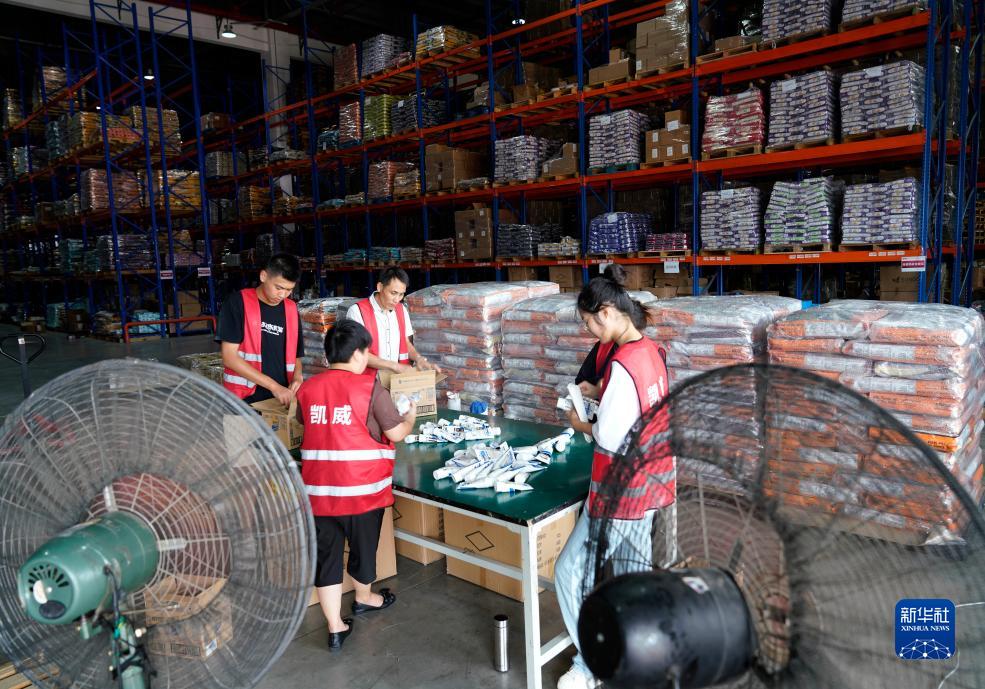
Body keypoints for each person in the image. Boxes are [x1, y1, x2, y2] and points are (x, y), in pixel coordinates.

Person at [553, 264, 675, 689]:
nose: (589, 331)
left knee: (568, 573)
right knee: (630, 577)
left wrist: (579, 422)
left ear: (605, 313)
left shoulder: (622, 364)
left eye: (589, 323)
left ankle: (592, 665)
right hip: (651, 484)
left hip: (619, 492)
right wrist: (600, 393)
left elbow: (608, 435)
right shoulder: (651, 352)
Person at [296, 319, 417, 652]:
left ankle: (335, 627)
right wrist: (410, 416)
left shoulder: (308, 389)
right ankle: (364, 598)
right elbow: (396, 434)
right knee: (363, 548)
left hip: (319, 494)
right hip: (362, 493)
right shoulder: (370, 388)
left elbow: (306, 422)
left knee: (327, 558)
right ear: (360, 353)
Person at [218, 253, 304, 406]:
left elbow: (296, 355)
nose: (282, 295)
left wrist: (298, 377)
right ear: (263, 276)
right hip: (243, 400)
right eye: (278, 288)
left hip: (281, 399)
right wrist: (274, 386)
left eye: (289, 290)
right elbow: (229, 357)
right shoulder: (238, 303)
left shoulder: (291, 309)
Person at [345, 267, 440, 375]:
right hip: (368, 380)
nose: (397, 299)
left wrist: (419, 359)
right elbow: (357, 352)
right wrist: (394, 366)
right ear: (380, 287)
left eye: (401, 294)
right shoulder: (357, 312)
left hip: (396, 379)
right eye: (393, 293)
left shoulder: (401, 310)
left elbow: (405, 343)